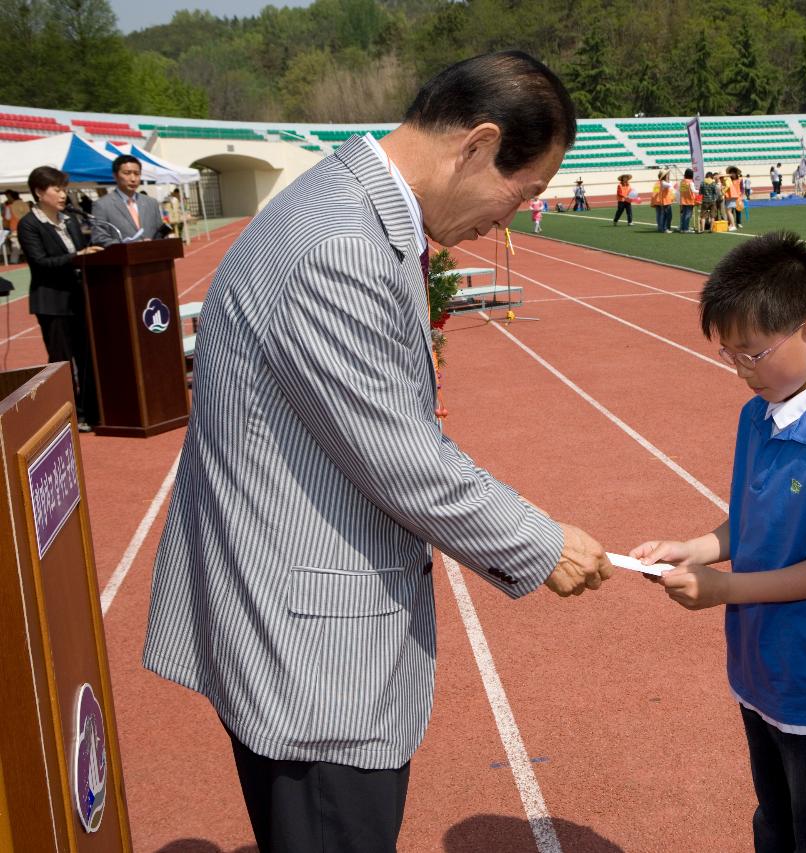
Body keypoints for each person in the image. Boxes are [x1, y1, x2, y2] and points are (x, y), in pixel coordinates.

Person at [142, 51, 614, 853]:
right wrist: (544, 543)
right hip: (310, 666)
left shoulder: (341, 201)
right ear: (477, 143)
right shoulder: (343, 246)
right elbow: (401, 458)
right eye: (522, 190)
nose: (510, 216)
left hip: (281, 619)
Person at [632, 230, 806, 853]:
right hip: (760, 673)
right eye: (729, 354)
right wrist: (695, 548)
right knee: (774, 826)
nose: (740, 370)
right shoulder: (760, 412)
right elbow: (748, 523)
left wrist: (725, 587)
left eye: (751, 353)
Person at [16, 166, 104, 431]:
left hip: (78, 299)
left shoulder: (69, 220)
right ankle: (69, 415)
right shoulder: (29, 224)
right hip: (52, 303)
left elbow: (81, 252)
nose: (63, 194)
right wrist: (78, 256)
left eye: (64, 188)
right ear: (40, 192)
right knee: (62, 362)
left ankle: (91, 411)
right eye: (57, 189)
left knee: (86, 357)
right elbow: (40, 263)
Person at [91, 155, 167, 244]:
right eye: (127, 173)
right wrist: (130, 246)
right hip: (122, 256)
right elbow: (99, 238)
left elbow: (159, 233)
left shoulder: (151, 203)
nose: (133, 179)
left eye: (137, 173)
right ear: (115, 176)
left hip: (152, 255)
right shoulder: (102, 205)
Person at [651, 168, 674, 233]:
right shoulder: (662, 183)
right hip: (662, 201)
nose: (668, 176)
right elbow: (656, 192)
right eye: (667, 175)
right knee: (664, 215)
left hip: (659, 200)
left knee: (660, 215)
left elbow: (655, 192)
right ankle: (664, 228)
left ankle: (661, 227)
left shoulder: (657, 183)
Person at [678, 167, 697, 233]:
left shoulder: (682, 181)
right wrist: (700, 191)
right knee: (688, 215)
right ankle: (686, 229)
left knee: (683, 215)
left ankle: (682, 228)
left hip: (683, 200)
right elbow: (693, 190)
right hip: (689, 200)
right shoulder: (690, 182)